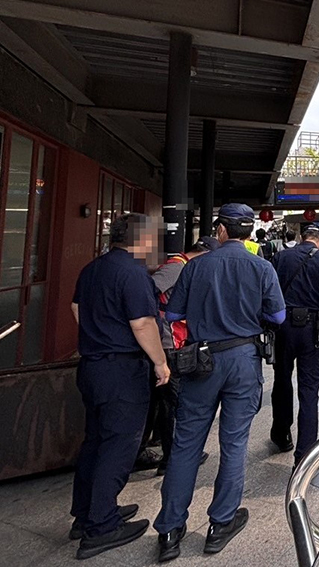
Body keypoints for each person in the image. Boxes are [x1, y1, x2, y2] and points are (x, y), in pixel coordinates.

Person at [153, 203, 286, 562]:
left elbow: (173, 313)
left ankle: (170, 530)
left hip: (201, 360)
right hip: (243, 359)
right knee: (234, 442)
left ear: (222, 230)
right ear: (247, 232)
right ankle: (220, 523)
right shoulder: (261, 267)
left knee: (186, 443)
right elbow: (278, 315)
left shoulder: (196, 266)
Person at [69, 213, 171, 560]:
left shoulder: (92, 269)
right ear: (140, 239)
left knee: (95, 441)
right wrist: (159, 361)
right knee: (119, 445)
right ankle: (102, 525)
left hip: (92, 366)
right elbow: (142, 323)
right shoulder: (133, 273)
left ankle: (86, 513)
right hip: (122, 370)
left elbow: (76, 307)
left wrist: (98, 335)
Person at [143, 236, 220, 477]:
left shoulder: (184, 265)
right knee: (173, 400)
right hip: (168, 341)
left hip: (171, 339)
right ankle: (173, 456)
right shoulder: (177, 267)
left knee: (163, 400)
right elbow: (149, 291)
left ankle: (157, 446)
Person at [270, 222, 319, 464]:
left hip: (283, 327)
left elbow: (270, 292)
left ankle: (281, 433)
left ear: (302, 237)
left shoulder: (281, 257)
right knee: (309, 390)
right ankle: (305, 454)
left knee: (281, 379)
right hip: (313, 329)